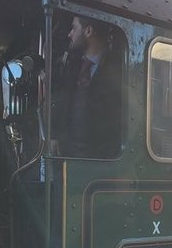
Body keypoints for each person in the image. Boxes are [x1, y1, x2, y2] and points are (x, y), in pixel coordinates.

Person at [52, 15, 122, 158]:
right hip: (66, 154)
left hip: (99, 161)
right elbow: (61, 100)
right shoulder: (70, 65)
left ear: (88, 31)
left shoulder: (118, 70)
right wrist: (54, 135)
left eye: (74, 28)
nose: (69, 34)